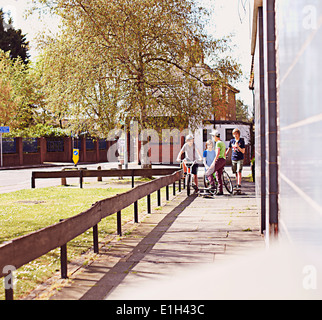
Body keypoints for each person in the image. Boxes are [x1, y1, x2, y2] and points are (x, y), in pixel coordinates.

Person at [206, 130, 226, 195]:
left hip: (219, 159)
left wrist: (213, 162)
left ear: (215, 136)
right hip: (223, 160)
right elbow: (224, 153)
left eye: (213, 136)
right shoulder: (222, 143)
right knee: (218, 174)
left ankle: (212, 185)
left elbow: (217, 153)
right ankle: (220, 191)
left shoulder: (218, 143)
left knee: (208, 172)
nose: (213, 138)